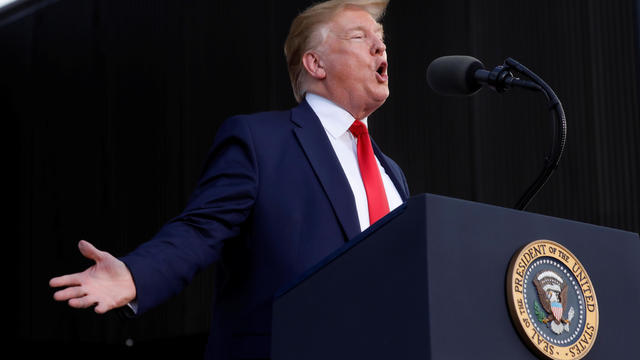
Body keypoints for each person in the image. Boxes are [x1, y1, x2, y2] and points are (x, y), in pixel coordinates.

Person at [49, 0, 409, 358]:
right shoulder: (261, 141)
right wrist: (136, 274)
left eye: (380, 37)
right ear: (315, 64)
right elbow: (201, 229)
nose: (380, 46)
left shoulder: (391, 174)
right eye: (359, 36)